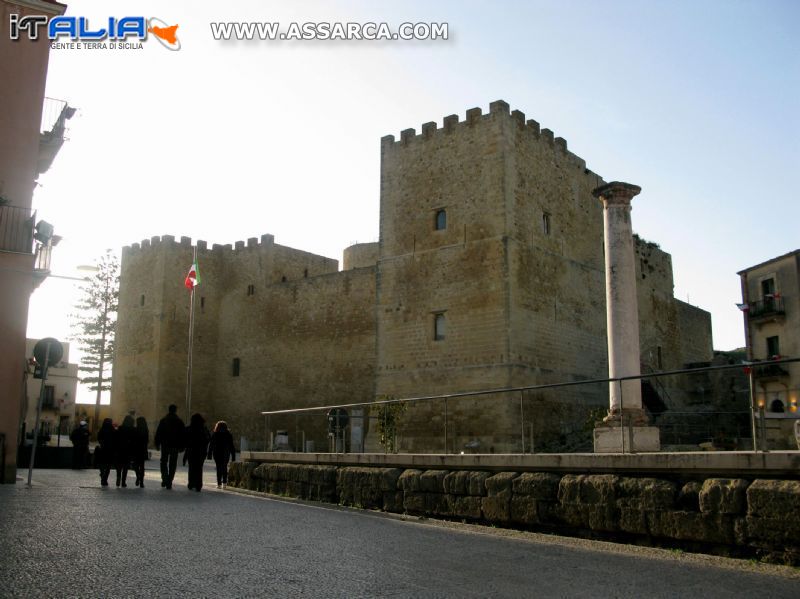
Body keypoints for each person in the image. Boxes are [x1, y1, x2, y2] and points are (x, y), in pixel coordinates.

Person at [154, 404, 185, 490]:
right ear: (175, 410)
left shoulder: (163, 420)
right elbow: (182, 435)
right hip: (175, 445)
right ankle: (170, 481)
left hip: (165, 445)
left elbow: (159, 432)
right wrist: (182, 446)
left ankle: (164, 478)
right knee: (173, 463)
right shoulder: (179, 421)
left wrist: (157, 443)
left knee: (163, 462)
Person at [183, 413, 210, 492]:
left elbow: (184, 439)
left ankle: (191, 483)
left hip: (191, 450)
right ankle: (198, 484)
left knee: (191, 468)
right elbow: (208, 439)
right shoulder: (204, 429)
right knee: (199, 468)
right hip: (201, 451)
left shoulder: (189, 429)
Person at [208, 421, 236, 488]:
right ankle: (225, 483)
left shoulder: (215, 434)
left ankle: (219, 484)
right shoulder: (228, 434)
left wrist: (209, 454)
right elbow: (231, 445)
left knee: (218, 467)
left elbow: (211, 445)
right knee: (224, 467)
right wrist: (233, 456)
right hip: (226, 453)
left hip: (217, 453)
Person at [115, 415, 136, 487]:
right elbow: (134, 441)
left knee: (119, 464)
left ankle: (118, 476)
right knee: (125, 466)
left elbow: (116, 438)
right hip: (128, 450)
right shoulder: (132, 429)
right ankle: (123, 481)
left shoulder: (120, 428)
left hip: (120, 449)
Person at [96, 418, 116, 487]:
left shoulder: (102, 429)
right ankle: (105, 479)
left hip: (103, 449)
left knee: (102, 463)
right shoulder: (113, 430)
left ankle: (102, 474)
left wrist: (102, 443)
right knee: (108, 465)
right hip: (110, 450)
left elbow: (98, 438)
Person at [133, 416, 149, 488]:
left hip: (136, 450)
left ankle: (138, 476)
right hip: (143, 450)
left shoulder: (135, 430)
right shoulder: (146, 430)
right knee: (142, 466)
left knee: (135, 465)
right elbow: (147, 441)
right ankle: (141, 482)